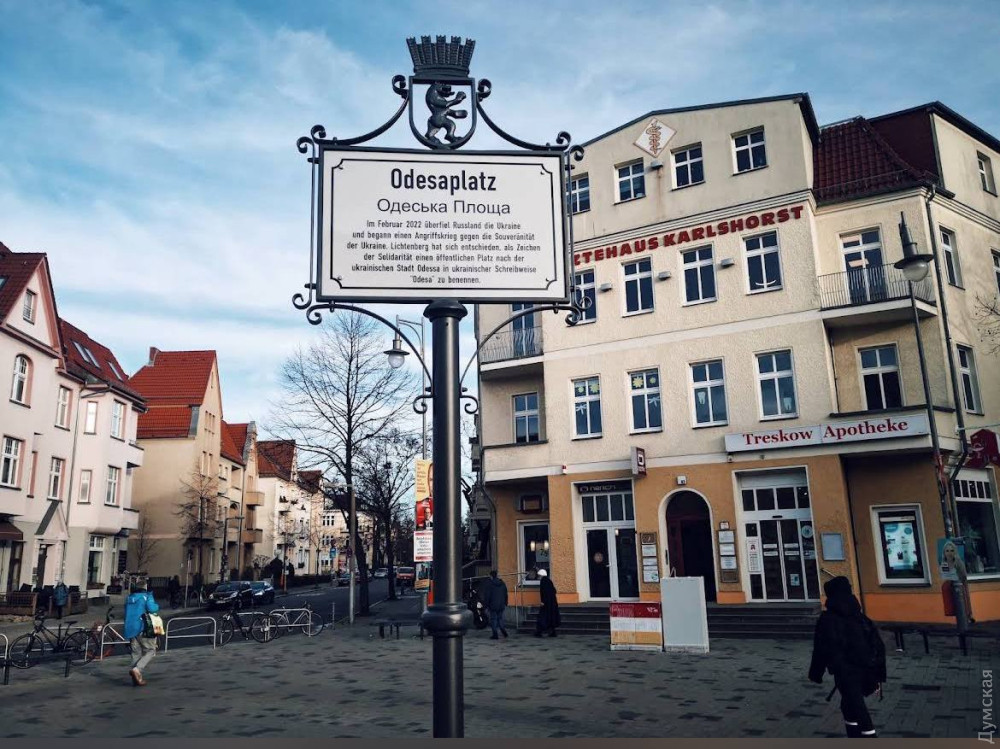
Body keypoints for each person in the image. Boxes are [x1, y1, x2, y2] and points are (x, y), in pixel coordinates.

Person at [809, 576, 886, 738]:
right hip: (865, 667)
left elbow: (821, 648)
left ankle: (869, 736)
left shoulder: (828, 620)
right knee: (848, 704)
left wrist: (816, 673)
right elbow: (878, 646)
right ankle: (854, 734)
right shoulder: (861, 618)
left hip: (845, 671)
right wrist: (878, 673)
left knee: (856, 705)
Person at [124, 576, 160, 687]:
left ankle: (136, 678)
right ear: (145, 587)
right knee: (151, 650)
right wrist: (154, 602)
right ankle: (137, 670)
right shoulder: (146, 597)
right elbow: (153, 609)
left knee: (136, 653)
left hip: (130, 628)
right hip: (142, 628)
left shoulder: (129, 598)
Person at [534, 569, 560, 638]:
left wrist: (543, 601)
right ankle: (552, 632)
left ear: (541, 575)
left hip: (546, 603)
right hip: (552, 603)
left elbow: (544, 592)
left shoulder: (543, 581)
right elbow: (554, 591)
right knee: (551, 617)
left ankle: (539, 632)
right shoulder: (549, 581)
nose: (538, 577)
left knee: (542, 617)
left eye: (538, 576)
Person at [484, 570, 508, 640]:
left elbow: (487, 596)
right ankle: (504, 632)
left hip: (493, 605)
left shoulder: (490, 584)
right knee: (500, 619)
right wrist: (506, 602)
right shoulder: (502, 583)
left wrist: (486, 606)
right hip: (501, 605)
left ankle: (495, 635)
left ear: (491, 576)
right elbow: (505, 594)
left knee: (493, 620)